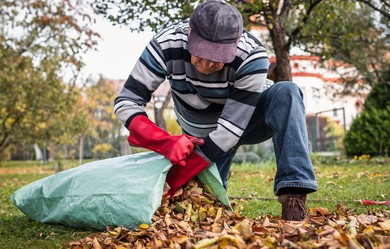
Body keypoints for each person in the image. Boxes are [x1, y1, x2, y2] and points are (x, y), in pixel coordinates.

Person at [114, 0, 318, 221]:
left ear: (236, 42)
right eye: (201, 52)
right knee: (205, 205)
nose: (208, 63)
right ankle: (215, 183)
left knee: (287, 92)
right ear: (190, 32)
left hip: (248, 118)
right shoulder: (166, 43)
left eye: (218, 55)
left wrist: (189, 168)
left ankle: (294, 194)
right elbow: (127, 101)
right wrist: (162, 141)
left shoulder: (253, 55)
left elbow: (230, 129)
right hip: (200, 133)